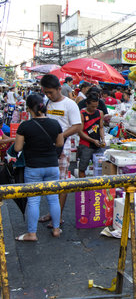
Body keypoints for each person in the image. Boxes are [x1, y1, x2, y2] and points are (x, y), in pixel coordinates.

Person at [14, 94, 64, 241]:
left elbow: (17, 148)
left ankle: (32, 233)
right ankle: (56, 229)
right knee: (53, 199)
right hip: (52, 165)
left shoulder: (25, 126)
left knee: (33, 200)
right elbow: (60, 143)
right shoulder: (55, 124)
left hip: (33, 167)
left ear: (29, 108)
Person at [39, 74, 82, 227]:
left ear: (59, 88)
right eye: (46, 92)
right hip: (47, 147)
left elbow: (77, 126)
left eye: (50, 92)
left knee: (61, 182)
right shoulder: (47, 103)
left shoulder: (70, 104)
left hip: (63, 147)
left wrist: (60, 136)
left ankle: (59, 216)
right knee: (50, 181)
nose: (48, 95)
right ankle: (52, 213)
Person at [78, 93, 105, 178]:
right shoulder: (82, 114)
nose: (94, 109)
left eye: (96, 106)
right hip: (85, 144)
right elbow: (80, 132)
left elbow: (101, 128)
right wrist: (93, 141)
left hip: (97, 144)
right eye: (92, 106)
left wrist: (103, 139)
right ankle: (82, 188)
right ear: (87, 104)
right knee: (82, 168)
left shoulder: (100, 113)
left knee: (101, 166)